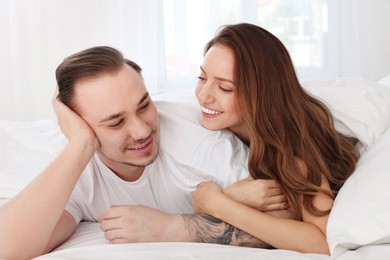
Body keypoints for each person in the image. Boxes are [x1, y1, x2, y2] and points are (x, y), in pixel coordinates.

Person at [0, 46, 290, 259]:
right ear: (80, 125)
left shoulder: (197, 143)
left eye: (144, 106)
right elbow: (9, 247)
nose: (141, 131)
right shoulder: (78, 163)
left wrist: (175, 228)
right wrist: (80, 146)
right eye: (115, 122)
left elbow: (286, 216)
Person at [192, 23, 360, 255]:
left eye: (224, 87)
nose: (203, 95)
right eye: (202, 77)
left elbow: (321, 241)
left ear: (259, 94)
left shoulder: (294, 151)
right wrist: (231, 195)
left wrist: (219, 205)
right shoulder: (214, 128)